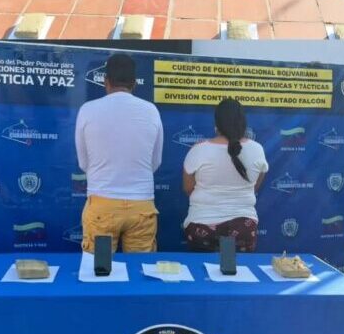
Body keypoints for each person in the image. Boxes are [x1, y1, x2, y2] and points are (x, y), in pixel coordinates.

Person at [75, 54, 164, 253]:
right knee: (139, 269)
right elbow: (155, 162)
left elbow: (83, 162)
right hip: (141, 206)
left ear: (105, 81)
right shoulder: (151, 111)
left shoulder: (87, 110)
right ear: (134, 83)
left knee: (99, 269)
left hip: (102, 204)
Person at [182, 98, 268, 253]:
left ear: (217, 124)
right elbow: (255, 186)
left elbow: (188, 188)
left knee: (202, 268)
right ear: (243, 122)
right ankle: (231, 268)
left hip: (202, 227)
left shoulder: (199, 149)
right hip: (243, 228)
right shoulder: (257, 149)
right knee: (236, 268)